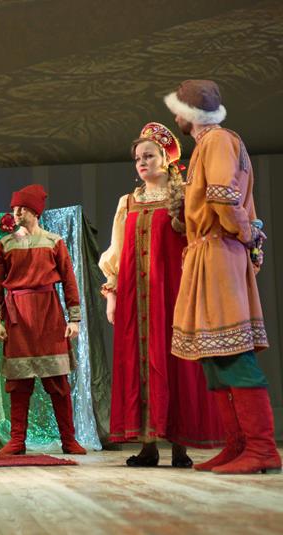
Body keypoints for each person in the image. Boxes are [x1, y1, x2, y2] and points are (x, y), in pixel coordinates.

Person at [165, 79, 280, 474]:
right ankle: (238, 445)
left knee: (232, 351)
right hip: (207, 252)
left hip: (218, 252)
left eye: (178, 110)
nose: (175, 118)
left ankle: (262, 448)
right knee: (213, 354)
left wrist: (246, 234)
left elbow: (223, 196)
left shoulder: (216, 141)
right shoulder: (207, 145)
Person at [99, 122, 222, 467]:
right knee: (138, 364)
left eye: (149, 156)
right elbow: (116, 251)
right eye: (138, 158)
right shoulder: (128, 203)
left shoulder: (183, 199)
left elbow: (197, 245)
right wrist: (112, 294)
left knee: (177, 363)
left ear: (165, 159)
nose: (142, 163)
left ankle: (180, 445)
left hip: (172, 295)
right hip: (134, 298)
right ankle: (148, 446)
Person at [0, 184, 86, 456]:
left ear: (35, 211)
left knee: (58, 380)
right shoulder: (5, 245)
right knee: (18, 382)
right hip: (17, 317)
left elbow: (69, 280)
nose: (16, 213)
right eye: (15, 208)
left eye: (22, 208)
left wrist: (74, 319)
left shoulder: (54, 242)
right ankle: (17, 440)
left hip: (49, 315)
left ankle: (69, 439)